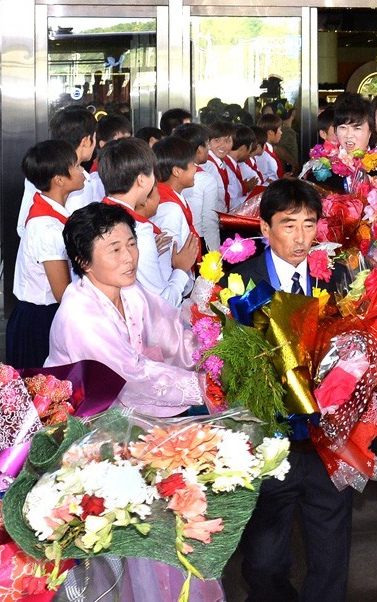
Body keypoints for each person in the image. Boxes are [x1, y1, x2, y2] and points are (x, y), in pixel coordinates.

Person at [234, 180, 353, 601]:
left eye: (309, 224)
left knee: (331, 554)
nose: (301, 237)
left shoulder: (339, 276)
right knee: (263, 561)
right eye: (289, 225)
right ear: (265, 228)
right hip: (268, 442)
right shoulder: (239, 281)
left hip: (327, 441)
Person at [45, 202, 205, 416]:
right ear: (84, 262)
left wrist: (215, 355)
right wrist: (205, 386)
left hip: (128, 412)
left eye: (131, 244)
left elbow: (171, 335)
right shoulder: (79, 315)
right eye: (115, 250)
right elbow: (129, 374)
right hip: (88, 419)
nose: (129, 257)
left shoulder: (130, 291)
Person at [7, 140, 86, 368]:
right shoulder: (48, 228)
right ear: (59, 180)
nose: (82, 170)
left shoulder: (52, 215)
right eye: (75, 166)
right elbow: (63, 293)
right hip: (41, 321)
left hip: (42, 316)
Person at [100, 137, 198, 307]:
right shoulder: (137, 230)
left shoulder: (96, 214)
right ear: (142, 180)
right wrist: (181, 269)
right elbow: (162, 302)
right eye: (153, 174)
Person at [16, 106, 99, 237]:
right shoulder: (45, 171)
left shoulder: (86, 179)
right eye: (95, 138)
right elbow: (25, 227)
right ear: (86, 140)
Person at [152, 136, 201, 270]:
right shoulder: (168, 208)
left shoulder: (172, 196)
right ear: (177, 171)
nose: (196, 169)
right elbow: (172, 258)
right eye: (192, 165)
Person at [173, 122, 223, 252]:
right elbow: (209, 222)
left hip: (175, 244)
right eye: (207, 145)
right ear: (199, 149)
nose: (209, 149)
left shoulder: (169, 173)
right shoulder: (206, 180)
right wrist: (215, 255)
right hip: (198, 242)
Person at [203, 120, 236, 212]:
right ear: (208, 142)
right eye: (217, 141)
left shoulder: (221, 162)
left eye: (227, 141)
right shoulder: (208, 165)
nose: (222, 146)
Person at [256, 113, 284, 181]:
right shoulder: (262, 154)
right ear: (270, 132)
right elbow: (263, 179)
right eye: (279, 129)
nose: (281, 132)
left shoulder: (269, 149)